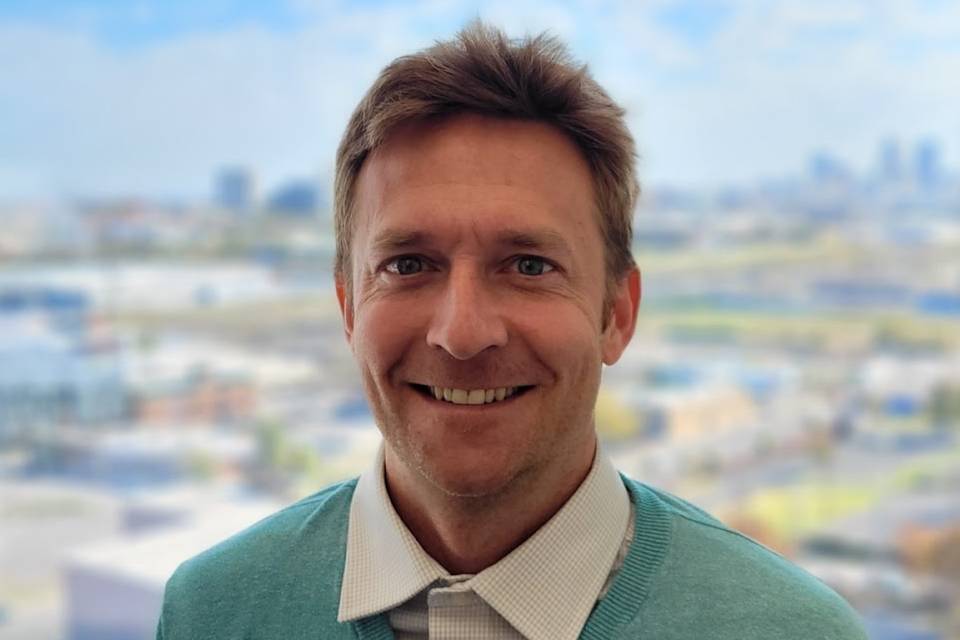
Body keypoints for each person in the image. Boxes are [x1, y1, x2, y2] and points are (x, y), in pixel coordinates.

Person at [156, 22, 867, 640]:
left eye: (528, 264)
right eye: (408, 264)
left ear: (617, 313)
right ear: (348, 308)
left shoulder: (787, 630)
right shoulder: (212, 612)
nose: (462, 333)